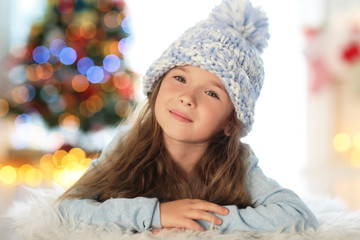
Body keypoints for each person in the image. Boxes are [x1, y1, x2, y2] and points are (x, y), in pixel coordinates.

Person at [57, 0, 319, 233]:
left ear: (230, 121)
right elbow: (67, 208)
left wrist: (199, 221)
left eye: (211, 93)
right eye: (180, 78)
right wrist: (157, 215)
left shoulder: (238, 162)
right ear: (158, 85)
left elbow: (298, 215)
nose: (187, 97)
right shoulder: (128, 144)